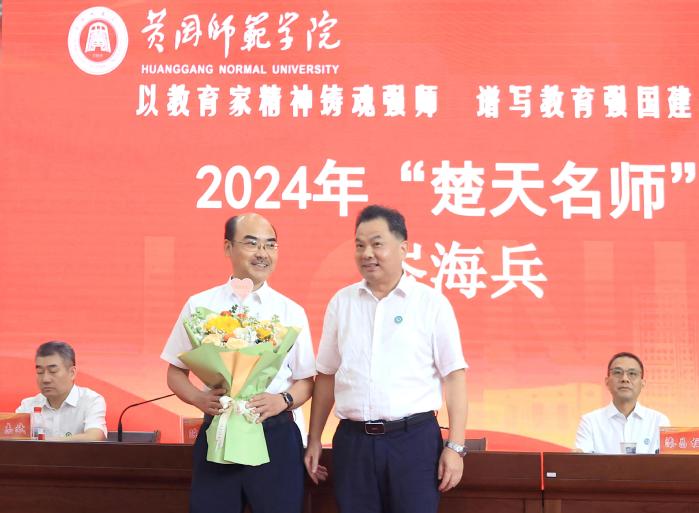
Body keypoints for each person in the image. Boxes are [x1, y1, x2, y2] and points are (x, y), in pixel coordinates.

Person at [304, 205, 468, 513]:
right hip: (353, 442)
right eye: (359, 245)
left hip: (413, 442)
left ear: (403, 248)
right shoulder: (342, 303)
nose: (367, 253)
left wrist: (456, 447)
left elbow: (455, 376)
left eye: (376, 244)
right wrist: (314, 439)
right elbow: (326, 375)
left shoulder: (431, 304)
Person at [161, 213, 316, 513]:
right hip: (219, 430)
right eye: (252, 243)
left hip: (274, 434)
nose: (262, 253)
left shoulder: (291, 311)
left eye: (270, 245)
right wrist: (198, 398)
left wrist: (282, 400)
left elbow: (306, 381)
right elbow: (174, 371)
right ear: (228, 247)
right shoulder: (200, 305)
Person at [575, 352, 670, 454]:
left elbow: (668, 461)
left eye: (632, 374)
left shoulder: (659, 421)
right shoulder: (590, 422)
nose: (625, 379)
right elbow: (581, 460)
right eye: (617, 372)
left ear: (642, 383)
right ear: (607, 381)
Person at [16, 341, 107, 441]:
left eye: (53, 371)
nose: (45, 379)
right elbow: (12, 439)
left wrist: (43, 442)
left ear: (72, 373)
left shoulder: (91, 401)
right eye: (40, 372)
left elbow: (94, 437)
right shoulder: (28, 406)